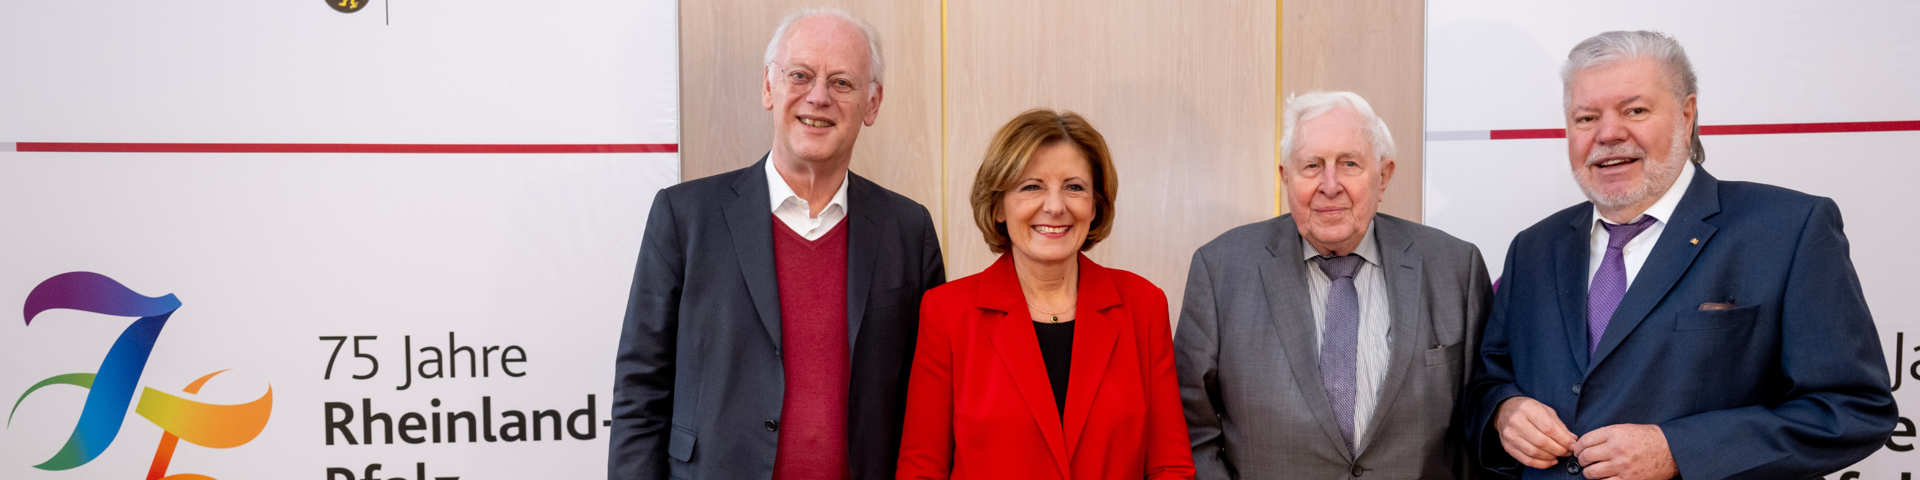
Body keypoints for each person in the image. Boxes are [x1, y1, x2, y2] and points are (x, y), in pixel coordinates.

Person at [1465, 31, 1895, 480]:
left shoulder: (1789, 229)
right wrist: (1504, 411)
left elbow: (1852, 410)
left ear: (1686, 115)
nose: (1608, 134)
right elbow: (1486, 383)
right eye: (1586, 117)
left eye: (1635, 110)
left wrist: (1677, 450)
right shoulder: (1533, 248)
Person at [607, 7, 945, 480]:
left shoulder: (909, 231)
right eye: (800, 75)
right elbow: (641, 392)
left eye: (843, 83)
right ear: (769, 86)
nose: (819, 96)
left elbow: (929, 406)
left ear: (872, 104)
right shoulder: (685, 218)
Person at [1176, 91, 1491, 478]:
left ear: (1384, 176)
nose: (1330, 184)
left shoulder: (1455, 267)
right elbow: (1190, 429)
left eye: (1349, 163)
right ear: (1285, 177)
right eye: (1311, 165)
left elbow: (1480, 417)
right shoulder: (1220, 268)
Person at [897, 109, 1194, 479]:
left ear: (1095, 205)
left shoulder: (1143, 305)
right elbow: (921, 468)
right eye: (1031, 186)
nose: (1055, 207)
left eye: (1074, 187)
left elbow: (1170, 465)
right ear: (999, 205)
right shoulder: (947, 312)